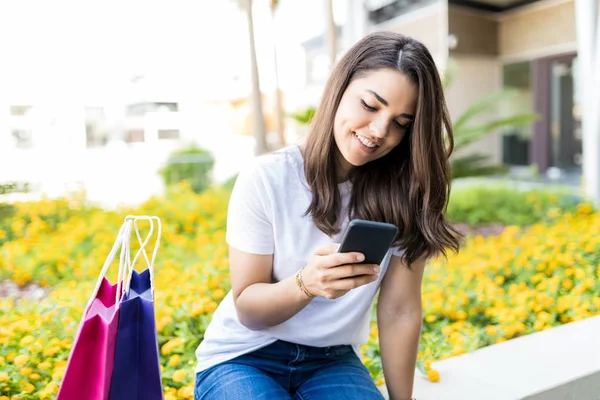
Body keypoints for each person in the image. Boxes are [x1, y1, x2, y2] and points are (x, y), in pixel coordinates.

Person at [193, 31, 460, 400]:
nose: (380, 131)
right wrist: (306, 284)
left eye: (401, 122)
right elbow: (249, 310)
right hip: (243, 357)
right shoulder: (268, 177)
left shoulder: (406, 194)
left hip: (332, 362)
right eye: (370, 105)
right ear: (339, 89)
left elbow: (400, 309)